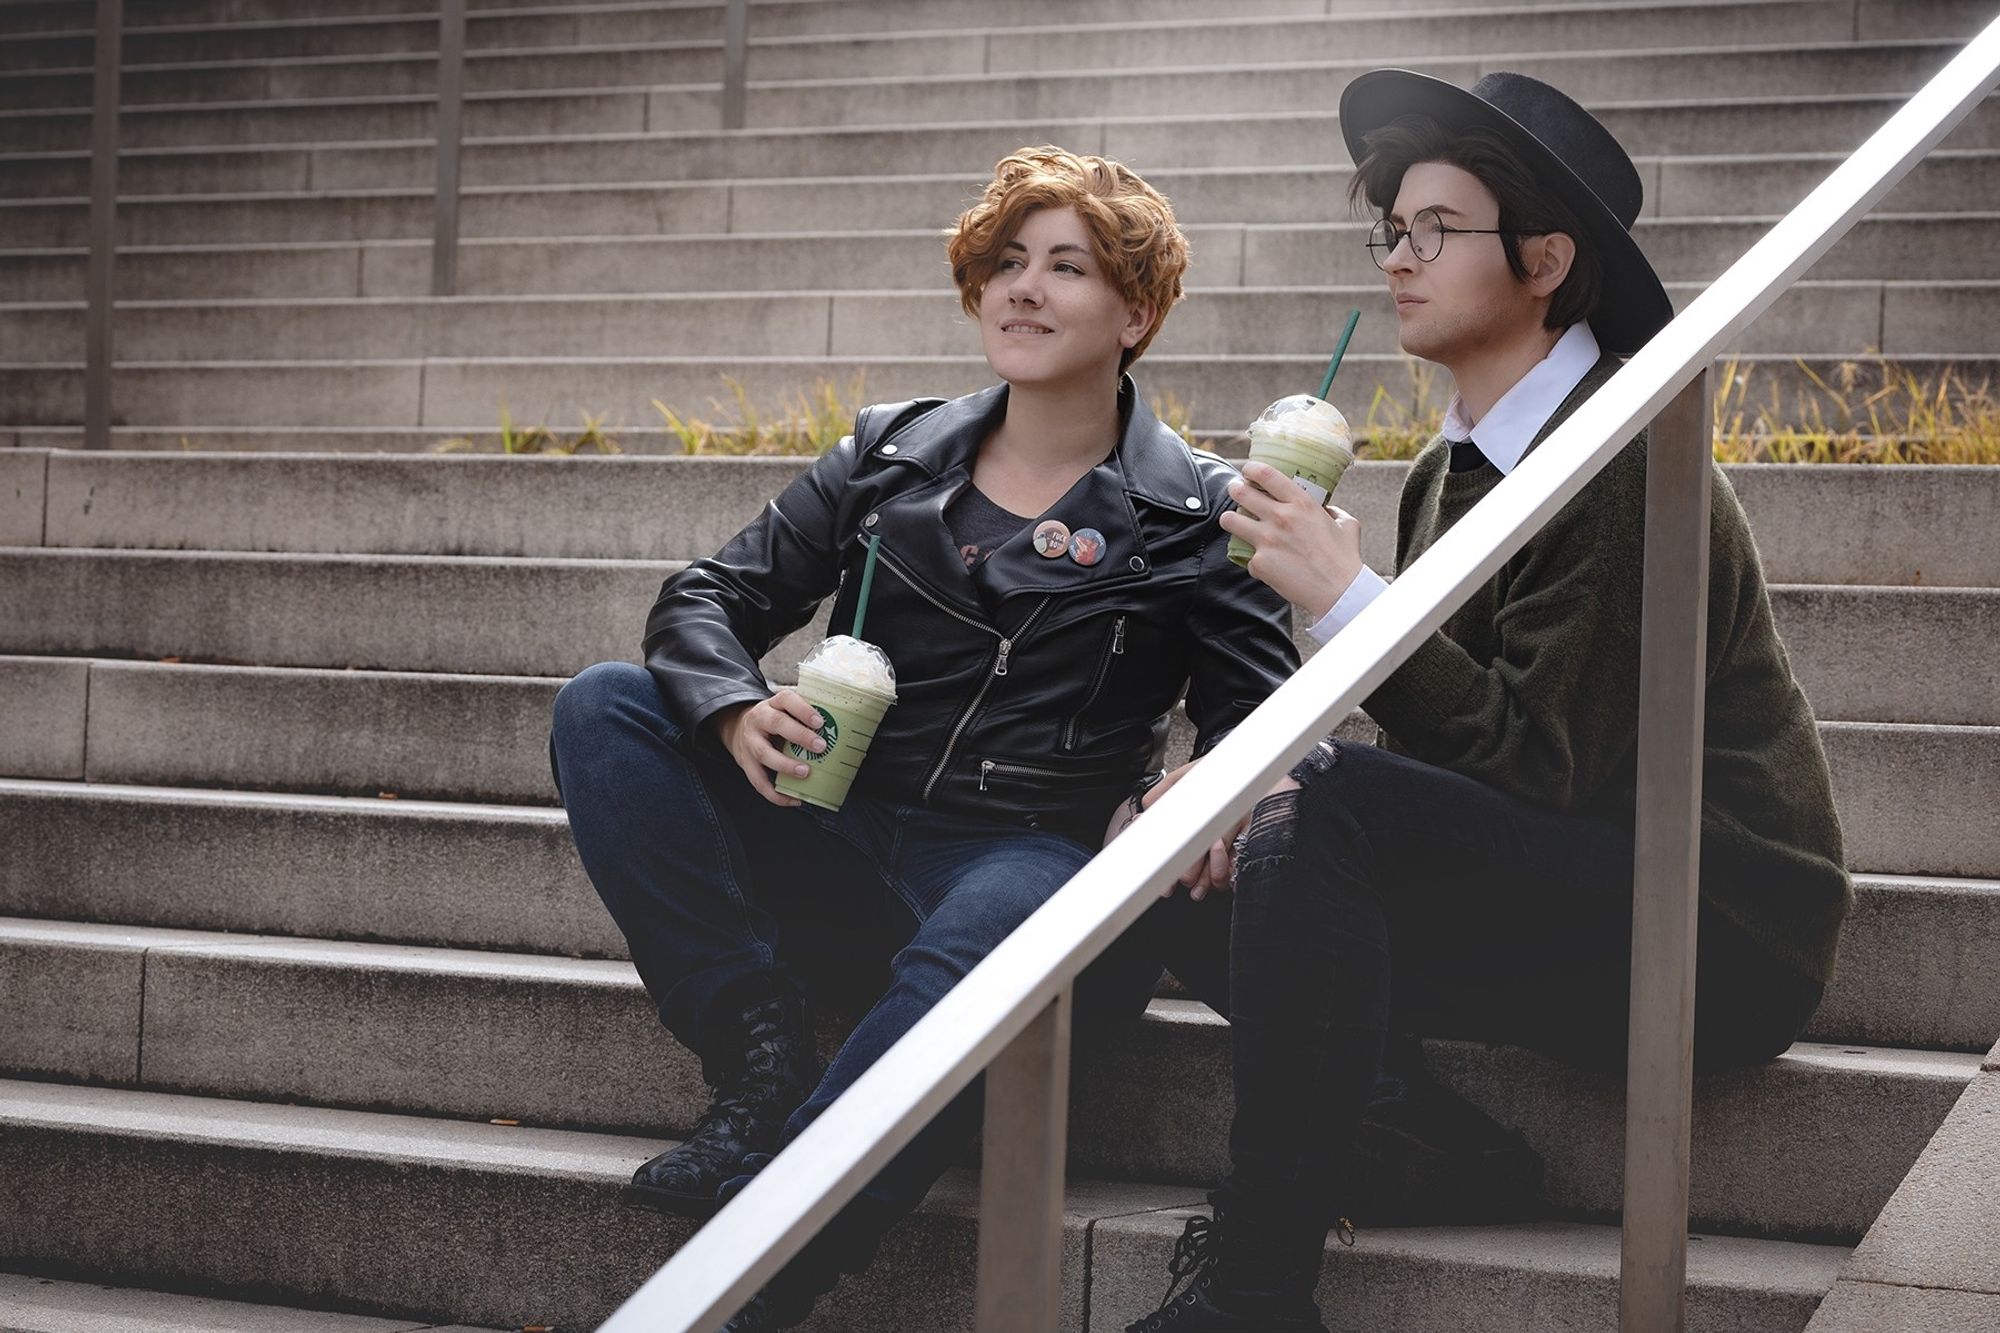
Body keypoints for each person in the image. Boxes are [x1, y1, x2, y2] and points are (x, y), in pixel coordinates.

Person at [1114, 72, 1851, 1332]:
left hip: (1713, 924)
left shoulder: (1623, 451)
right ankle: (1419, 1141)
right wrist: (1242, 788)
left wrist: (1353, 603)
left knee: (1306, 807)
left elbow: (1537, 758)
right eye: (1391, 230)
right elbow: (1443, 760)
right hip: (1565, 890)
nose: (1399, 259)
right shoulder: (1441, 475)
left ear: (1545, 260)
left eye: (1435, 230)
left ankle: (1255, 1292)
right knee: (1188, 850)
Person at [548, 145, 1297, 1330]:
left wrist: (1196, 779)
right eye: (1006, 262)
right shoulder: (885, 455)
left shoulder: (1196, 516)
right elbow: (704, 599)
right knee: (605, 703)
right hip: (838, 834)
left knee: (1014, 904)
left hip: (1021, 868)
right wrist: (740, 707)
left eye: (1066, 267)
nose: (1023, 288)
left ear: (1136, 313)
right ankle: (756, 1054)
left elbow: (1273, 714)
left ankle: (761, 1271)